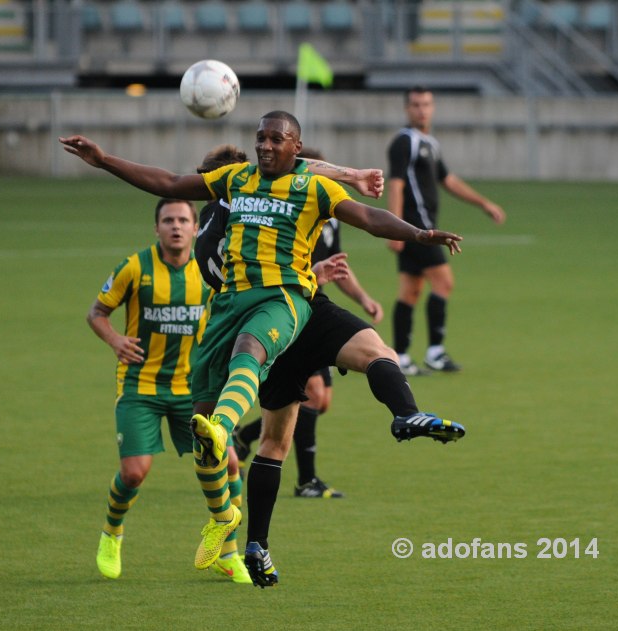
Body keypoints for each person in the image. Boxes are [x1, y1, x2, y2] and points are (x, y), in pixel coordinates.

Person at [60, 110, 463, 585]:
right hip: (228, 307)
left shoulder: (313, 187)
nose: (265, 145)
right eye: (260, 138)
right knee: (241, 445)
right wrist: (104, 160)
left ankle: (404, 414)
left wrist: (418, 233)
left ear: (297, 147)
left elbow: (369, 217)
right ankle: (238, 530)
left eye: (277, 139)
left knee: (335, 352)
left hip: (286, 300)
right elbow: (168, 180)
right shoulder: (235, 181)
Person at [192, 143, 466, 587]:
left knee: (285, 432)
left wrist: (353, 175)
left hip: (296, 309)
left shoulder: (239, 206)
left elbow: (308, 169)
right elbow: (308, 178)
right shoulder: (238, 204)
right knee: (277, 436)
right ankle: (248, 532)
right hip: (282, 313)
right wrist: (355, 178)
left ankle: (405, 414)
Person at [90, 198, 250, 584]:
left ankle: (227, 552)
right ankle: (112, 533)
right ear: (156, 228)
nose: (175, 226)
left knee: (229, 464)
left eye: (183, 220)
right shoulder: (134, 267)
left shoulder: (211, 270)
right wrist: (114, 340)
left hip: (193, 390)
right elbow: (97, 313)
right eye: (168, 220)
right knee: (134, 473)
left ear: (197, 228)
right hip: (140, 386)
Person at [232, 147, 385, 500]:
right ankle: (307, 480)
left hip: (317, 305)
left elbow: (337, 266)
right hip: (290, 311)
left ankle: (246, 436)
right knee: (312, 395)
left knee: (320, 401)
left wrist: (363, 299)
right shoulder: (288, 210)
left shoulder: (331, 215)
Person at [387, 86, 506, 376]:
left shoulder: (430, 143)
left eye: (426, 104)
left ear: (433, 107)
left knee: (411, 291)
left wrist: (483, 203)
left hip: (416, 230)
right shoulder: (404, 142)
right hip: (418, 229)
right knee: (444, 282)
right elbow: (396, 184)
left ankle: (401, 357)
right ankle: (435, 353)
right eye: (416, 104)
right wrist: (394, 228)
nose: (422, 110)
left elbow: (448, 180)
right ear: (407, 109)